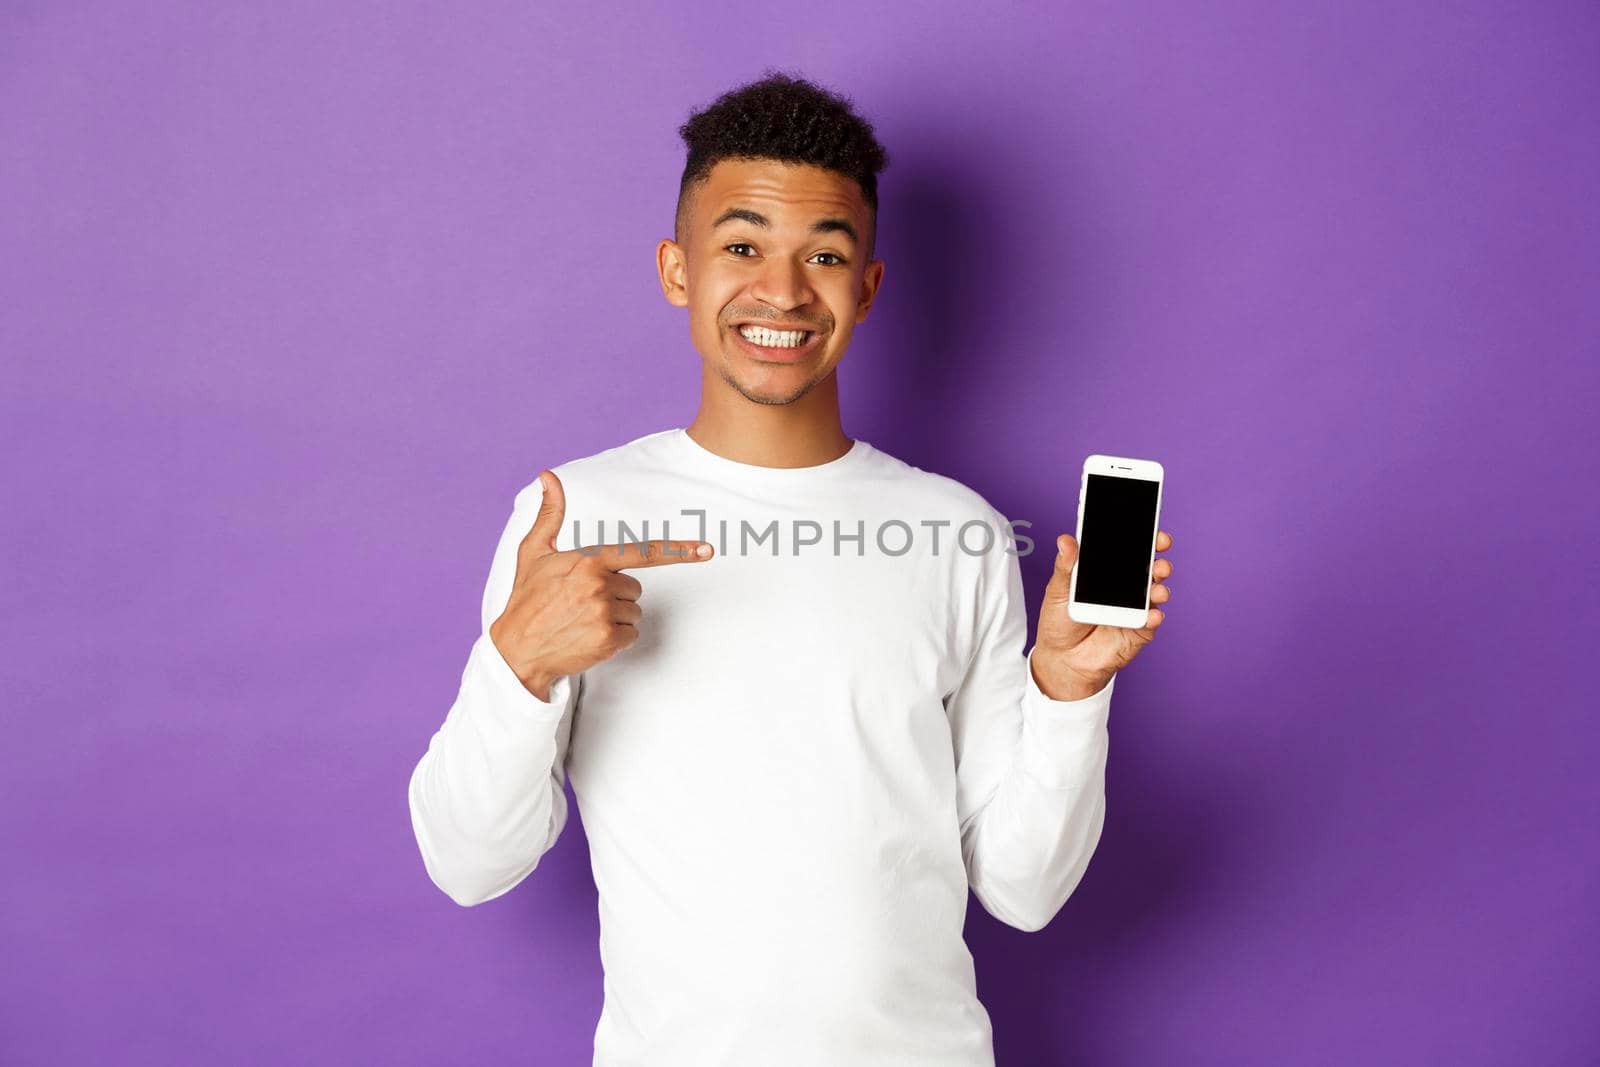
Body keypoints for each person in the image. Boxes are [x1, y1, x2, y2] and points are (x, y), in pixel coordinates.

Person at [407, 70, 1174, 1067]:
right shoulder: (577, 517)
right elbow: (470, 863)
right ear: (677, 268)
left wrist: (1067, 692)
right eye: (740, 247)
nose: (781, 291)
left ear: (869, 287)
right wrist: (516, 666)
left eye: (824, 254)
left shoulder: (960, 533)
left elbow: (1024, 891)